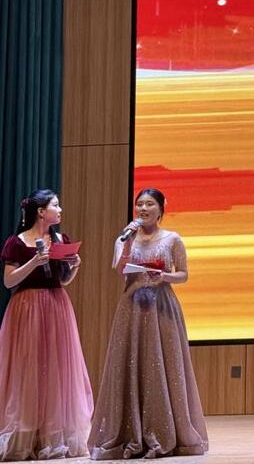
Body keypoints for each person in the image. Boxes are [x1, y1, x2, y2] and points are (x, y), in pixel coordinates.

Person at [88, 188, 208, 459]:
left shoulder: (172, 239)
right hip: (132, 306)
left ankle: (165, 431)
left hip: (162, 305)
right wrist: (127, 242)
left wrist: (163, 276)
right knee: (130, 364)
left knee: (163, 364)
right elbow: (119, 269)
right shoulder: (124, 237)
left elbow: (183, 274)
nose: (143, 209)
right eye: (139, 204)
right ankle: (129, 432)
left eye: (149, 204)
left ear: (161, 208)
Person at [0, 189, 94, 460]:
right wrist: (34, 261)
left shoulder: (60, 239)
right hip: (27, 307)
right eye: (55, 205)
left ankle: (52, 436)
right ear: (41, 212)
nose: (60, 209)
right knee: (28, 367)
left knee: (55, 367)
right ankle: (25, 435)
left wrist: (74, 266)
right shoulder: (17, 242)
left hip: (56, 306)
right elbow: (9, 281)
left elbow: (61, 281)